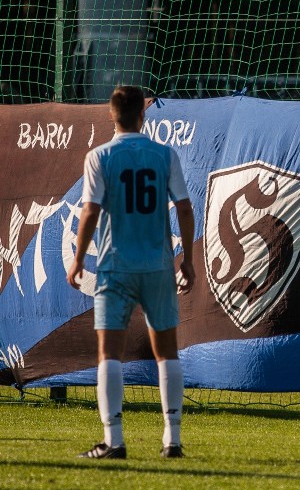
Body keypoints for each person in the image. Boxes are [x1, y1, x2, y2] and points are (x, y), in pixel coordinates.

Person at [67, 85, 196, 460]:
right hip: (157, 266)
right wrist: (186, 258)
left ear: (111, 115)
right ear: (144, 113)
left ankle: (114, 440)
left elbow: (89, 212)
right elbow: (185, 209)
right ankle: (172, 441)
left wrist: (77, 259)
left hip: (114, 267)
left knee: (109, 353)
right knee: (167, 352)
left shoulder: (99, 156)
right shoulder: (163, 154)